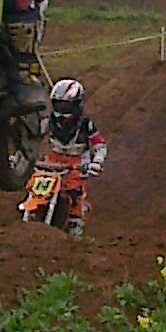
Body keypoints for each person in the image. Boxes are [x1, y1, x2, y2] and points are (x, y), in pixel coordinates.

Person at [42, 77, 106, 239]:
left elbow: (99, 144)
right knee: (40, 185)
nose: (61, 108)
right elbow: (33, 136)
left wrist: (96, 162)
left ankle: (75, 222)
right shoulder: (49, 120)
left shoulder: (85, 123)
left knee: (74, 191)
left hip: (77, 160)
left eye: (66, 104)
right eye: (58, 103)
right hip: (54, 157)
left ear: (76, 104)